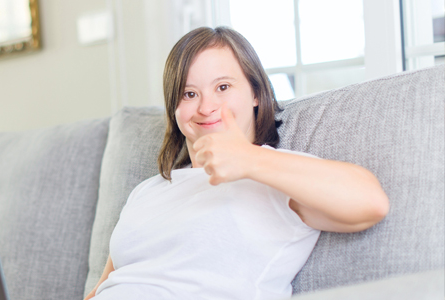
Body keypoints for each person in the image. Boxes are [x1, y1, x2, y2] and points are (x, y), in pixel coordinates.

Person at [84, 27, 389, 300]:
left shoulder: (276, 173)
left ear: (256, 93)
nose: (206, 107)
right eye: (189, 94)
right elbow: (104, 287)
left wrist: (249, 158)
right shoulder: (147, 191)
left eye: (223, 87)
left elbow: (371, 202)